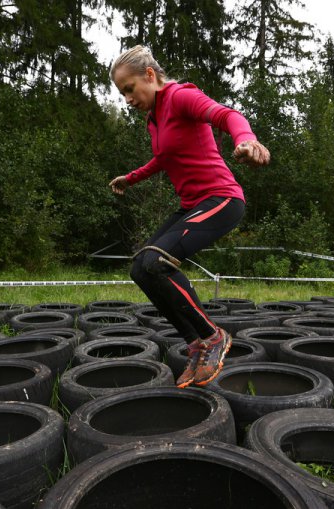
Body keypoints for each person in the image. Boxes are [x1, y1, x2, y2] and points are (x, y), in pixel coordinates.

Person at [108, 45, 270, 388]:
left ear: (149, 76)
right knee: (141, 268)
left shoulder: (180, 97)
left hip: (221, 199)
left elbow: (227, 115)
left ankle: (214, 337)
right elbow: (163, 159)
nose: (127, 99)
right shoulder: (154, 119)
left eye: (129, 89)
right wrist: (131, 178)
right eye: (122, 93)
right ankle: (196, 344)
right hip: (192, 205)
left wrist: (246, 140)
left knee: (156, 262)